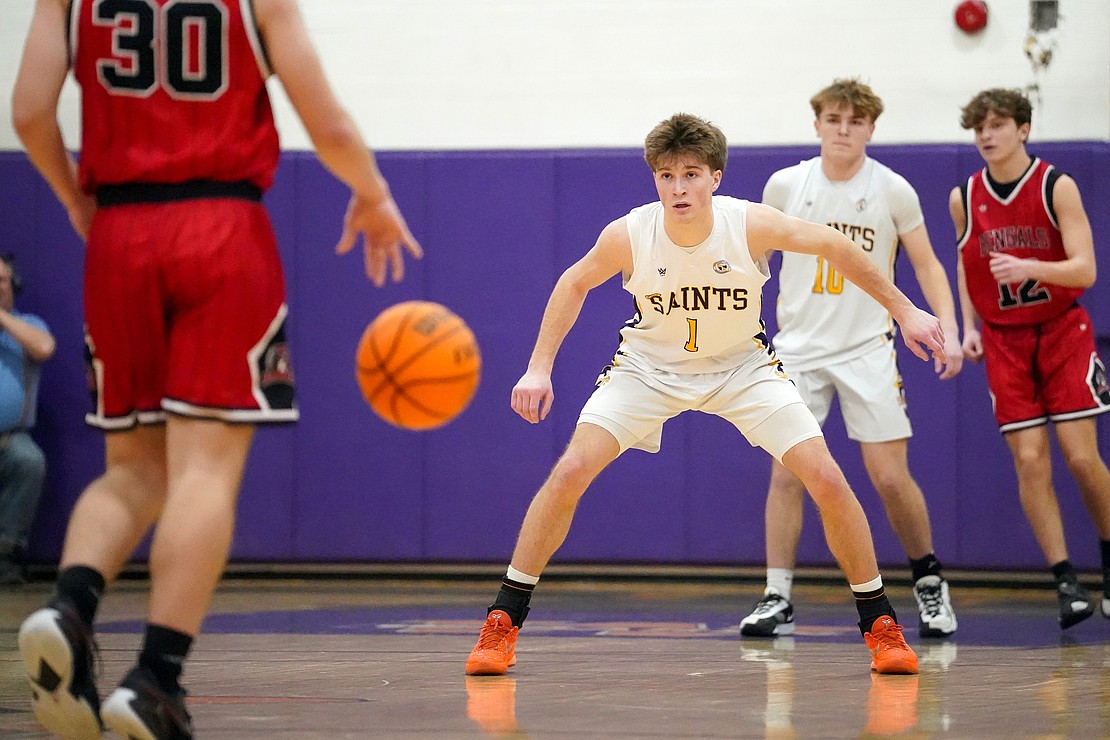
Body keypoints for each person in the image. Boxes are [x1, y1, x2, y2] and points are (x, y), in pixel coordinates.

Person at [11, 0, 422, 736]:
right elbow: (326, 123)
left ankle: (68, 606)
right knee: (202, 470)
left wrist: (76, 199)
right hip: (221, 229)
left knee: (130, 468)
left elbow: (29, 112)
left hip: (118, 237)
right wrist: (373, 191)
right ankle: (155, 681)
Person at [465, 112, 950, 679]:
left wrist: (904, 308)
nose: (678, 188)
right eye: (666, 176)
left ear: (715, 178)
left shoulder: (750, 225)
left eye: (690, 174)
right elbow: (573, 282)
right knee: (570, 469)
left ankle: (880, 625)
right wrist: (537, 368)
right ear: (654, 181)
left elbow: (833, 246)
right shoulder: (629, 233)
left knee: (825, 476)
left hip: (742, 367)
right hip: (648, 367)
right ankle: (503, 619)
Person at [739, 79, 963, 641]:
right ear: (816, 124)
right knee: (788, 474)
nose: (843, 128)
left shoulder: (893, 190)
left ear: (870, 128)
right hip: (796, 349)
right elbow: (752, 259)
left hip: (867, 349)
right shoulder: (786, 185)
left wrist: (950, 330)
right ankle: (777, 595)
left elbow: (929, 265)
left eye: (855, 120)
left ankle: (929, 583)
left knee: (889, 475)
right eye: (834, 118)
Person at [949, 88, 1110, 629]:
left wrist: (1030, 267)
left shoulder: (1055, 185)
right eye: (979, 129)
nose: (987, 136)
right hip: (1003, 339)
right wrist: (967, 327)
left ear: (1023, 129)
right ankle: (1065, 581)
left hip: (1062, 331)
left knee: (1083, 460)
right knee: (1030, 458)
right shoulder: (964, 197)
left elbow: (1085, 269)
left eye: (997, 125)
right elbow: (966, 263)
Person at [0, 255, 55, 585]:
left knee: (30, 461)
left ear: (13, 286)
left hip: (10, 439)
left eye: (1, 281)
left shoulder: (29, 324)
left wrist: (2, 319)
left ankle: (4, 555)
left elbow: (45, 348)